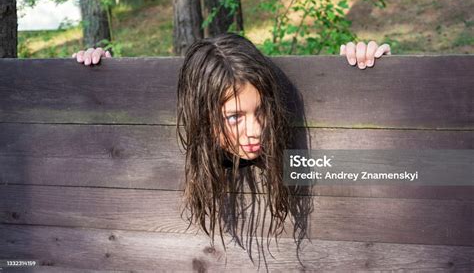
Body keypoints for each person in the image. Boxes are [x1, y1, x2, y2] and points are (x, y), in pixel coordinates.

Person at [72, 34, 391, 255]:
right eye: (235, 117)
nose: (256, 131)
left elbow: (413, 168)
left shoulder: (292, 157)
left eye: (262, 110)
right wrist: (103, 78)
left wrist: (373, 76)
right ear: (201, 115)